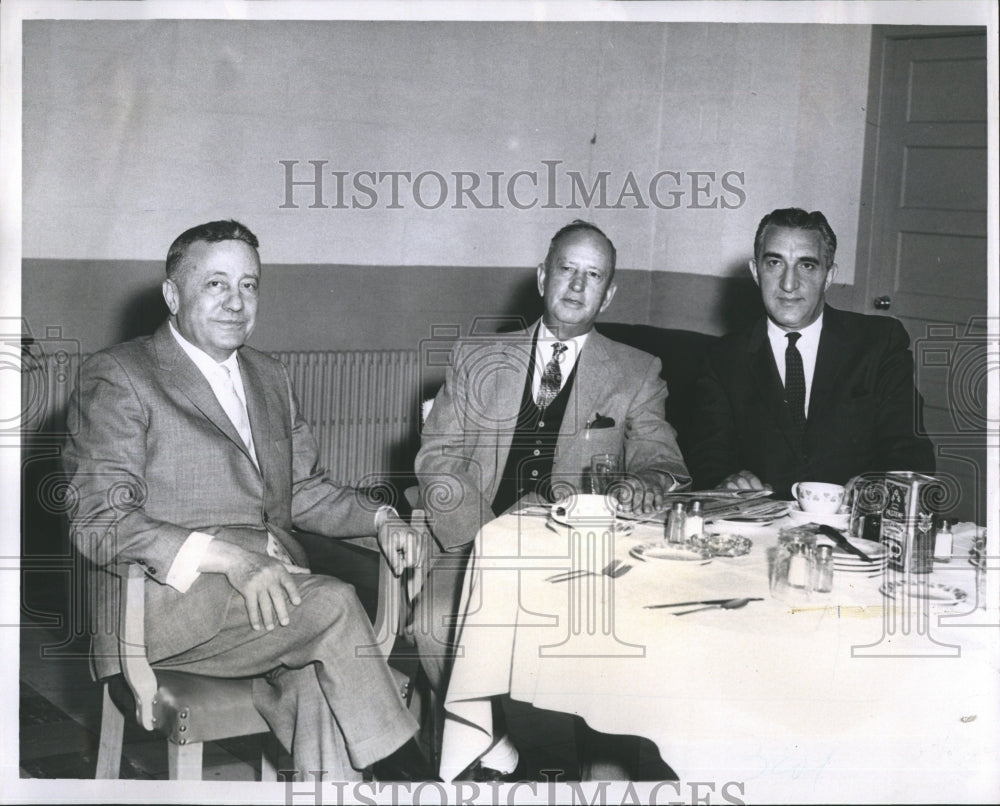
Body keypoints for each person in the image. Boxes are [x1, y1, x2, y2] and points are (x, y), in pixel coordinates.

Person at [63, 220, 430, 781]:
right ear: (172, 294)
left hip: (272, 606)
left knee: (321, 685)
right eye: (216, 284)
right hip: (165, 610)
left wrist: (381, 519)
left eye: (249, 285)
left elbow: (301, 489)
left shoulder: (269, 374)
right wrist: (234, 559)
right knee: (333, 606)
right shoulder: (120, 376)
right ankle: (414, 780)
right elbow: (99, 521)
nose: (236, 302)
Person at [413, 220, 690, 779]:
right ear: (542, 277)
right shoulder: (475, 358)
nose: (577, 284)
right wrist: (483, 540)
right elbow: (436, 461)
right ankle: (494, 747)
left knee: (611, 642)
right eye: (567, 268)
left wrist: (646, 482)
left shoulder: (636, 371)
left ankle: (600, 778)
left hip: (580, 557)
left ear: (608, 293)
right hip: (477, 540)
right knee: (437, 622)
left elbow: (666, 462)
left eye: (594, 276)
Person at [687, 207, 935, 498]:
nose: (788, 284)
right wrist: (728, 481)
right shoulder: (723, 358)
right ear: (756, 271)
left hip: (854, 527)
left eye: (806, 266)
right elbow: (708, 458)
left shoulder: (879, 343)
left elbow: (910, 450)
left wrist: (878, 484)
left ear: (829, 276)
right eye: (775, 263)